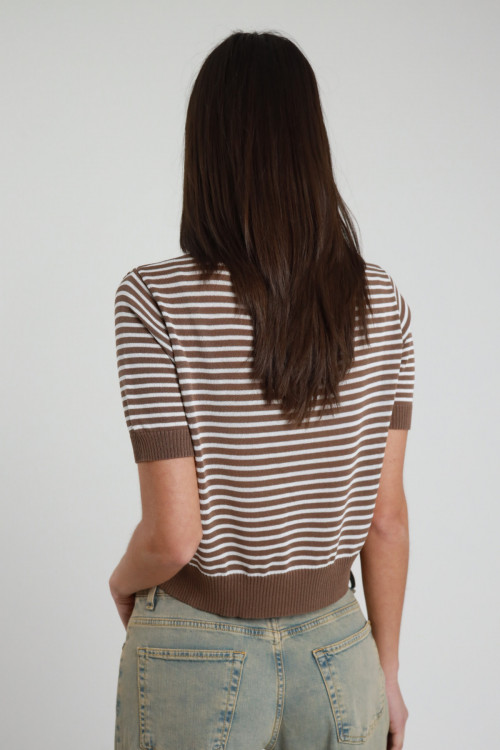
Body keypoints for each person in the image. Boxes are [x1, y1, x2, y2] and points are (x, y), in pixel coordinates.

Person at [109, 30, 414, 750]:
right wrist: (386, 673)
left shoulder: (155, 299)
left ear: (206, 150)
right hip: (341, 654)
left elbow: (173, 536)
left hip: (195, 648)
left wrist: (122, 583)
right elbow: (386, 518)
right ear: (312, 147)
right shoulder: (381, 301)